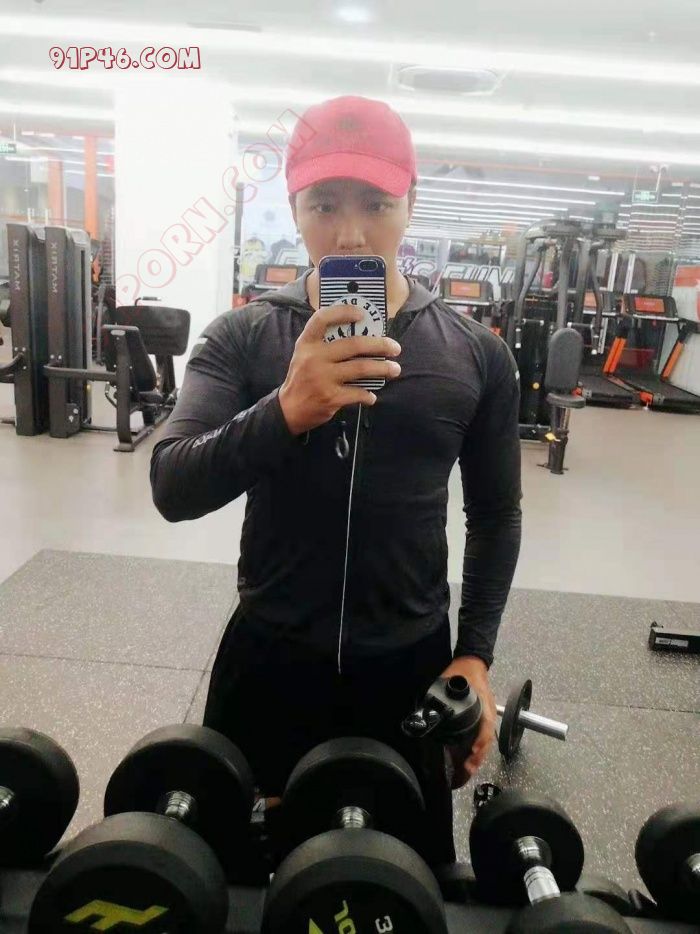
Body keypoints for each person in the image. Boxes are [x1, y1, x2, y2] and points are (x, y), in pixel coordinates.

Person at [150, 95, 522, 871]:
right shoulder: (243, 336)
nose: (350, 233)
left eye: (375, 204)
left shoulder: (477, 354)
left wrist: (475, 657)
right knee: (231, 885)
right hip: (268, 663)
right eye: (324, 205)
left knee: (405, 886)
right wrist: (284, 410)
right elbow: (172, 483)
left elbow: (495, 515)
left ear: (410, 203)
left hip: (409, 669)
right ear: (293, 209)